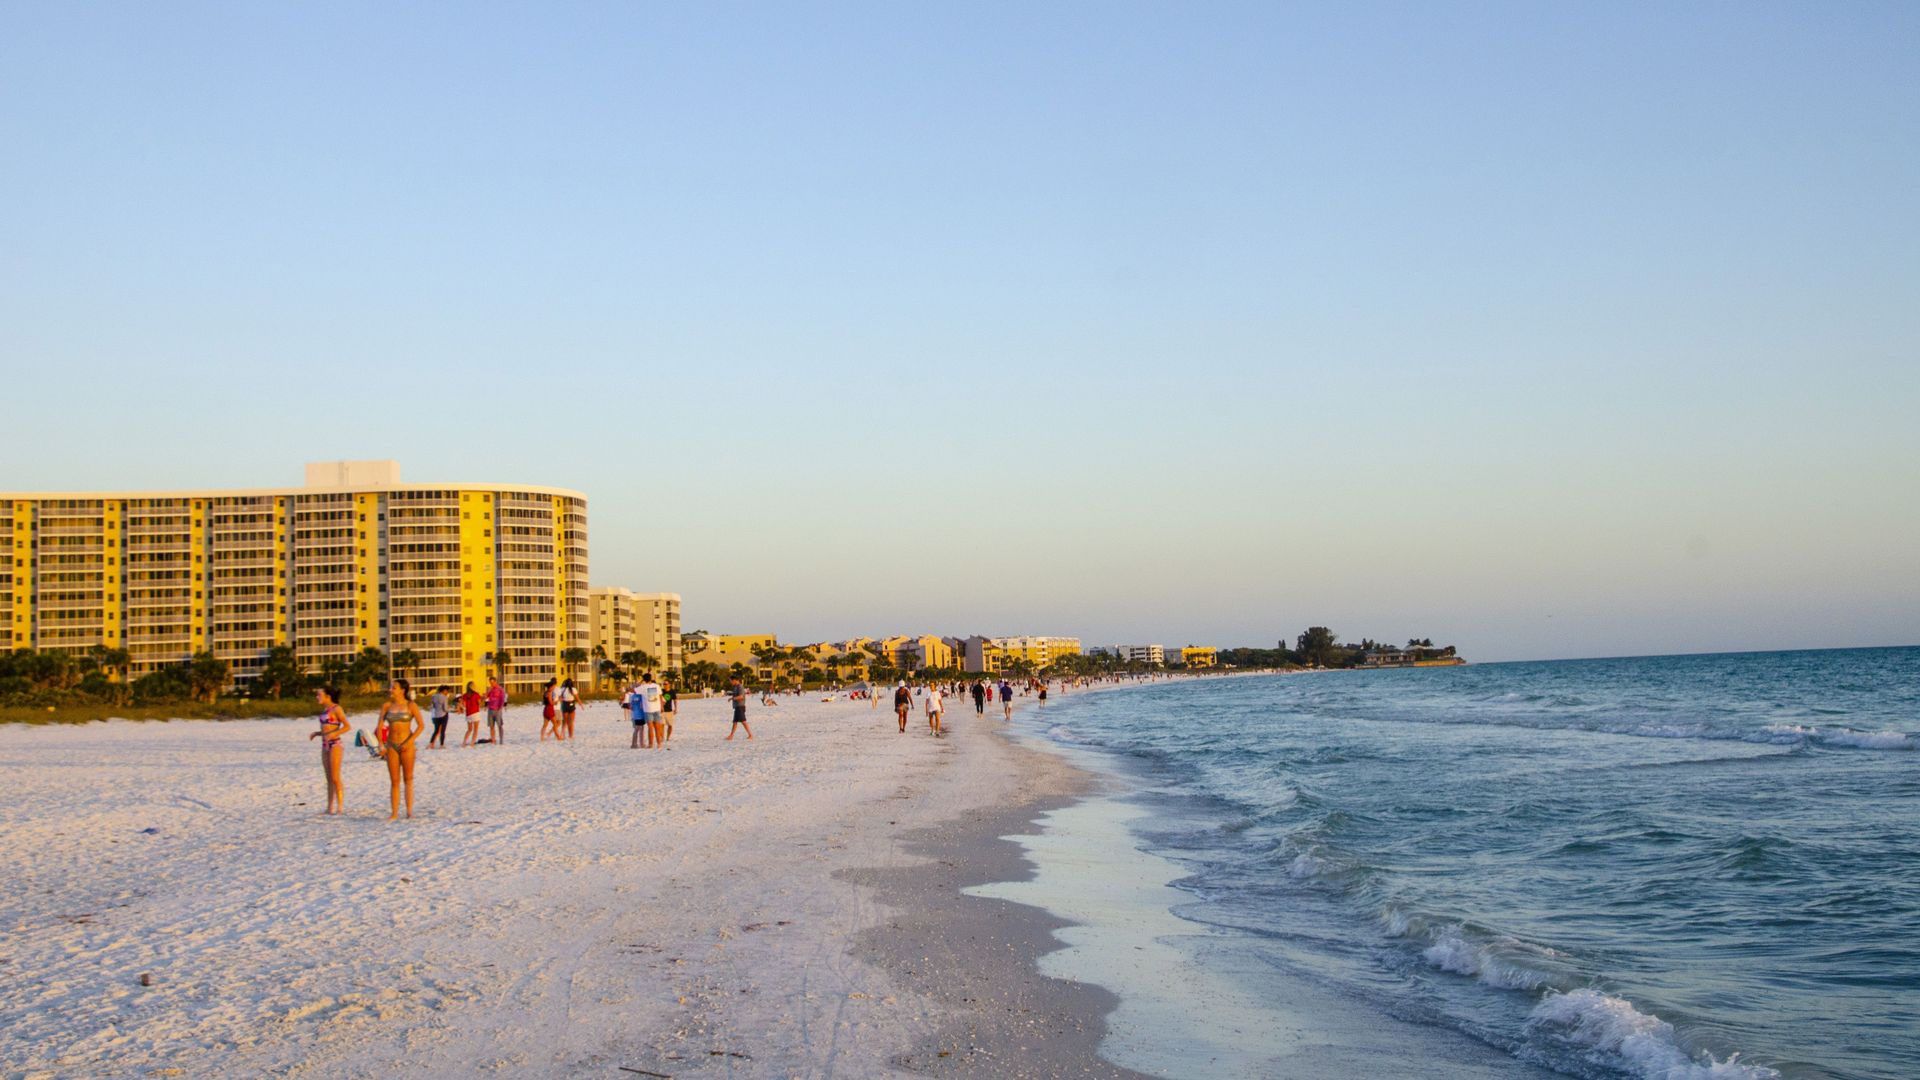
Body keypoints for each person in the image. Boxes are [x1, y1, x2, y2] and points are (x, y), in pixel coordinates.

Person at [378, 679, 425, 821]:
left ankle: (409, 811)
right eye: (391, 687)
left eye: (394, 687)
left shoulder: (411, 705)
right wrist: (381, 744)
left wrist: (409, 741)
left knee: (408, 779)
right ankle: (394, 812)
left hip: (407, 745)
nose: (391, 690)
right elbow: (379, 726)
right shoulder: (387, 706)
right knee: (394, 780)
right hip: (391, 744)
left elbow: (421, 726)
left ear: (402, 690)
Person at [308, 686, 349, 815]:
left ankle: (340, 806)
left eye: (319, 695)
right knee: (329, 778)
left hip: (335, 744)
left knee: (335, 777)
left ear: (328, 696)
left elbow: (347, 726)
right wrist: (317, 733)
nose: (317, 697)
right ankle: (330, 806)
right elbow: (326, 729)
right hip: (324, 744)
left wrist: (334, 734)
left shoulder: (337, 709)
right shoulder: (325, 710)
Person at [638, 672, 665, 748]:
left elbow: (632, 688)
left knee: (650, 728)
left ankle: (651, 744)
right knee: (657, 727)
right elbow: (660, 696)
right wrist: (662, 706)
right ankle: (659, 744)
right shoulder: (657, 686)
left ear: (644, 679)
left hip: (648, 709)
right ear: (651, 678)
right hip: (657, 708)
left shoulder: (642, 687)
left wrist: (640, 681)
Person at [484, 675, 508, 744]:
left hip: (497, 710)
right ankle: (493, 740)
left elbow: (502, 699)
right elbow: (486, 697)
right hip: (490, 709)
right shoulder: (490, 689)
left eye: (492, 682)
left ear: (495, 682)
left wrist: (500, 708)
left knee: (499, 725)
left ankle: (501, 740)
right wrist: (487, 692)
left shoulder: (500, 689)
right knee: (491, 726)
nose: (491, 684)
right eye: (490, 682)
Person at [628, 679, 650, 749]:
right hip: (640, 715)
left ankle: (634, 744)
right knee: (640, 729)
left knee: (637, 729)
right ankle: (640, 744)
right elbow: (642, 706)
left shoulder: (632, 696)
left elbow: (631, 707)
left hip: (635, 715)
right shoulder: (641, 696)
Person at [459, 681, 483, 747]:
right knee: (475, 730)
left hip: (468, 714)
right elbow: (479, 703)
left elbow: (462, 704)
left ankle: (464, 742)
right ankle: (472, 743)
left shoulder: (465, 695)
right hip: (475, 713)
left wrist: (461, 709)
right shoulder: (476, 694)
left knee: (469, 729)